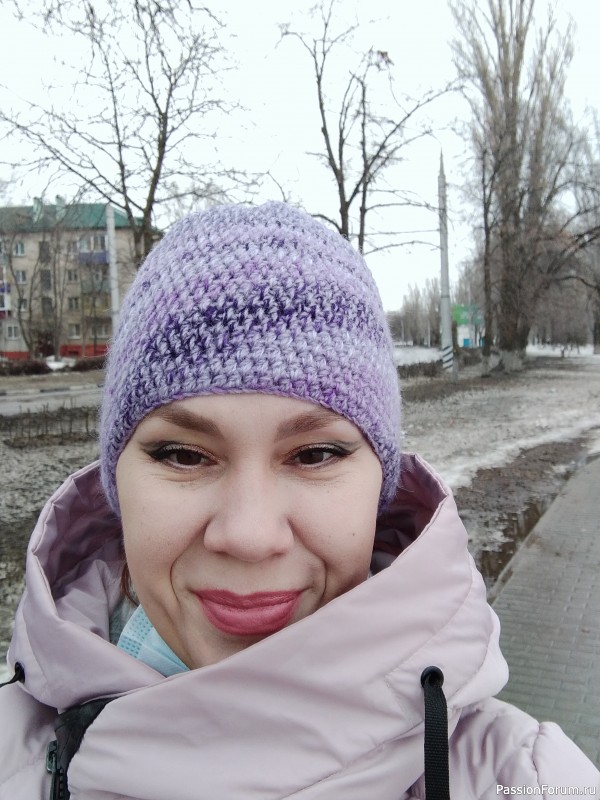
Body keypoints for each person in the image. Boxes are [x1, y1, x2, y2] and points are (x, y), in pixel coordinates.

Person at [0, 202, 597, 800]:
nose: (250, 536)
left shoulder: (526, 780)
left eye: (315, 455)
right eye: (183, 454)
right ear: (116, 486)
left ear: (381, 489)